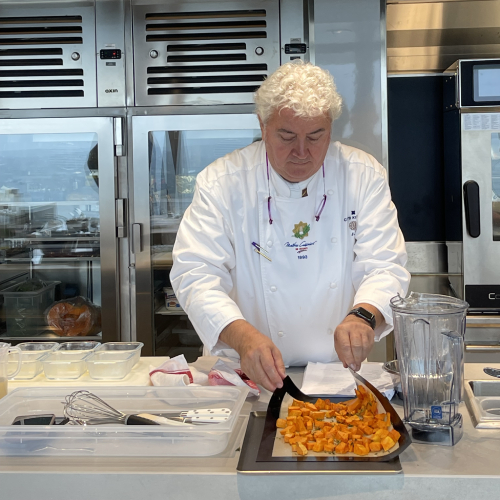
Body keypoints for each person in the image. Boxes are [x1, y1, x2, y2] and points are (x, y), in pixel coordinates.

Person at [170, 61, 410, 392]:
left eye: (316, 136)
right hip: (246, 374)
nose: (302, 152)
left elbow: (385, 267)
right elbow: (195, 275)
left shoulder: (362, 175)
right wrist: (243, 337)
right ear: (263, 124)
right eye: (287, 136)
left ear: (330, 128)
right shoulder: (223, 182)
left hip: (337, 372)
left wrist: (363, 317)